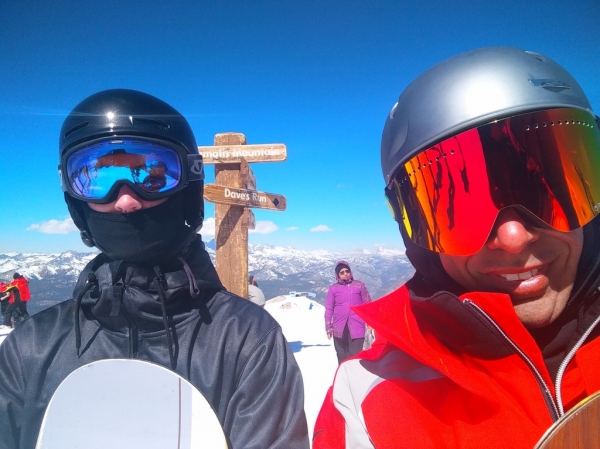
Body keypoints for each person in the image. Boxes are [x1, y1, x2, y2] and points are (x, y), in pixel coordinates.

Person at [313, 47, 600, 448]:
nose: (514, 238)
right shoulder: (366, 400)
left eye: (550, 191)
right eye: (461, 214)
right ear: (418, 240)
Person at [0, 89, 309, 449]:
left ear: (189, 185)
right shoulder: (29, 350)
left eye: (153, 175)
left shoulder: (246, 342)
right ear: (75, 199)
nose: (125, 199)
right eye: (96, 178)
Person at [324, 261, 371, 364]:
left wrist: (370, 323)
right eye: (342, 272)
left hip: (357, 326)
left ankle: (355, 373)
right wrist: (328, 327)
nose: (345, 274)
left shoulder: (359, 285)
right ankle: (343, 373)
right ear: (338, 275)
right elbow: (329, 308)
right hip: (339, 327)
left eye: (347, 271)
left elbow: (367, 304)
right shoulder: (333, 289)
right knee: (341, 354)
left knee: (355, 355)